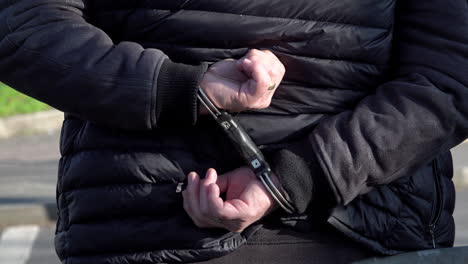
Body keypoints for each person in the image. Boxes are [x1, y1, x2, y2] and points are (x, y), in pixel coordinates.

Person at [0, 0, 467, 263]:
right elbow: (22, 25)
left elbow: (448, 79)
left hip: (360, 224)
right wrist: (181, 88)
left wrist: (295, 177)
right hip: (154, 225)